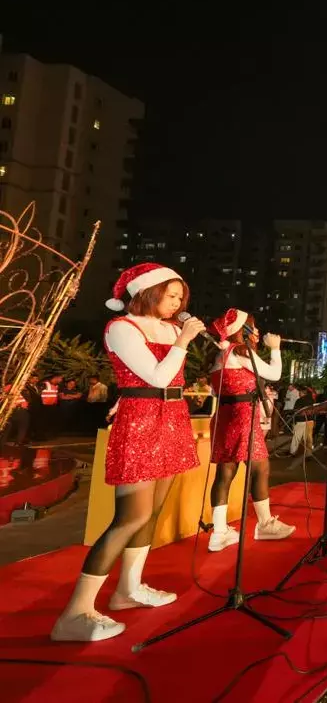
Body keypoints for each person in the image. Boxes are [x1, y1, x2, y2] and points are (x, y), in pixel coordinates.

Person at [52, 263, 203, 642]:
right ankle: (76, 611)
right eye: (170, 295)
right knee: (129, 516)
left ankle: (128, 590)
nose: (177, 303)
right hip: (142, 421)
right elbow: (156, 377)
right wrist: (183, 342)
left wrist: (179, 339)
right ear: (148, 292)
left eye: (180, 297)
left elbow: (175, 379)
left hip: (172, 418)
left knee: (152, 513)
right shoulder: (122, 328)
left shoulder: (170, 328)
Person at [205, 308, 294, 552]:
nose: (258, 331)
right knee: (260, 468)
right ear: (243, 332)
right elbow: (274, 374)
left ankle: (219, 532)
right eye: (253, 327)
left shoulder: (219, 355)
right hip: (242, 416)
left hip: (224, 416)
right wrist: (275, 348)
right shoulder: (239, 351)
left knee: (225, 472)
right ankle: (265, 523)